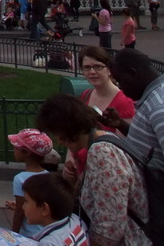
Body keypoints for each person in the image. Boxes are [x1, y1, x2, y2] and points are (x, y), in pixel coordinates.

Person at [35, 93, 151, 245]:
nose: (60, 142)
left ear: (67, 128)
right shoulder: (106, 140)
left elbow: (110, 226)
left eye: (57, 134)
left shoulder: (101, 152)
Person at [105, 47, 164, 164]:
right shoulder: (150, 97)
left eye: (119, 80)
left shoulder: (159, 108)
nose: (120, 87)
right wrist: (120, 124)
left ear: (133, 73)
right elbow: (149, 142)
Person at [4, 129, 55, 238]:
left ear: (27, 152)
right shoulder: (48, 176)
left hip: (28, 234)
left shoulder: (20, 179)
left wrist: (13, 236)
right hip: (45, 232)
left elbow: (19, 213)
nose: (14, 150)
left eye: (16, 148)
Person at [76, 46, 136, 133]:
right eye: (87, 67)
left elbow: (124, 143)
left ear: (109, 69)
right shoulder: (86, 95)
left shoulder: (124, 101)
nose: (92, 72)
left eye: (98, 66)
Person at [20, 173, 90, 245]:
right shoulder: (76, 220)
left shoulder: (49, 243)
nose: (23, 206)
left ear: (44, 209)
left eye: (26, 201)